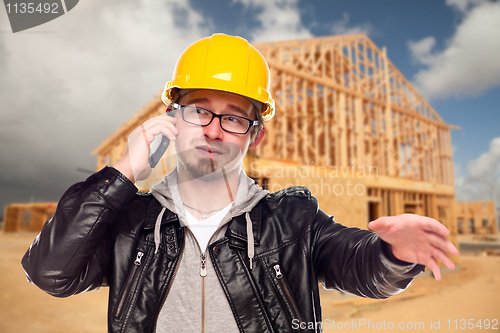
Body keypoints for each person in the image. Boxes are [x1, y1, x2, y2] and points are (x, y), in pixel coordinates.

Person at [22, 33, 459, 333]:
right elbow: (51, 273)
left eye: (233, 116)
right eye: (199, 109)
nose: (213, 129)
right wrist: (121, 174)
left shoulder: (292, 221)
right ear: (173, 118)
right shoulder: (130, 223)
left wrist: (392, 254)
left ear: (255, 133)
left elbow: (357, 265)